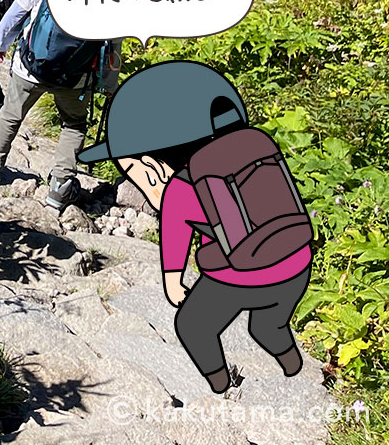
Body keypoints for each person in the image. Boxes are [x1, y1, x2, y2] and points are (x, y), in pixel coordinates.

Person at [79, 62, 313, 394]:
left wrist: (173, 282)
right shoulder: (255, 146)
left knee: (192, 326)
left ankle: (220, 388)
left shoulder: (180, 189)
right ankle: (294, 366)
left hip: (242, 276)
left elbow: (176, 242)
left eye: (131, 170)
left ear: (151, 167)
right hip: (297, 263)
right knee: (268, 325)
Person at [0, 0, 119, 209]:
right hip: (76, 76)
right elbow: (114, 43)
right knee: (74, 124)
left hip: (31, 64)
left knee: (11, 113)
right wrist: (108, 83)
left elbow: (16, 11)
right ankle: (60, 187)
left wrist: (0, 43)